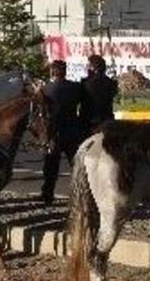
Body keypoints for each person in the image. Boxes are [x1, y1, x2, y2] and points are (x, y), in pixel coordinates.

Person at [40, 59, 93, 205]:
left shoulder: (46, 89)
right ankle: (82, 196)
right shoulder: (75, 87)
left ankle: (47, 195)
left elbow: (42, 115)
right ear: (65, 72)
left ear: (52, 72)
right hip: (73, 130)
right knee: (76, 166)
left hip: (54, 132)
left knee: (51, 167)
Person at [81, 55, 118, 128]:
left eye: (88, 65)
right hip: (107, 120)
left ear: (93, 67)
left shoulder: (86, 83)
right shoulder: (111, 83)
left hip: (89, 122)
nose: (86, 67)